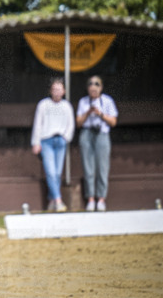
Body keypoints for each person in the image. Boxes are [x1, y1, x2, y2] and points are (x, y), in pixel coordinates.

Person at [31, 77, 75, 212]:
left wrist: (66, 138)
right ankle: (58, 200)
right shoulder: (43, 105)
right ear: (50, 91)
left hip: (60, 141)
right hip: (46, 141)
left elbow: (71, 124)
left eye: (59, 89)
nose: (56, 92)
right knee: (50, 172)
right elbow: (38, 124)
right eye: (54, 89)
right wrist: (35, 142)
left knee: (57, 173)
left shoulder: (66, 106)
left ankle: (51, 200)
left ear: (64, 91)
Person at [76, 75, 118, 211]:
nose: (93, 87)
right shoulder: (83, 102)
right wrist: (88, 112)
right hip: (87, 133)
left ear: (101, 87)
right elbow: (78, 122)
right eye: (90, 84)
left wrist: (100, 114)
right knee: (88, 167)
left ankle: (101, 198)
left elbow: (113, 122)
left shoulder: (107, 101)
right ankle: (90, 198)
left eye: (96, 84)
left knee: (102, 167)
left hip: (102, 133)